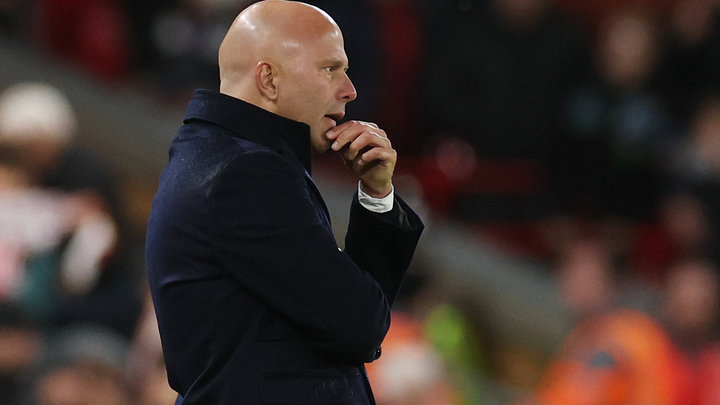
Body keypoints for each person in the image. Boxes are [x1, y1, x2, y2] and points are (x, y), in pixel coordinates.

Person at [144, 1, 425, 404]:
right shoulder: (246, 174)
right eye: (330, 69)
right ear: (269, 79)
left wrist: (376, 195)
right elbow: (359, 325)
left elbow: (352, 321)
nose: (349, 90)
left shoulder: (220, 157)